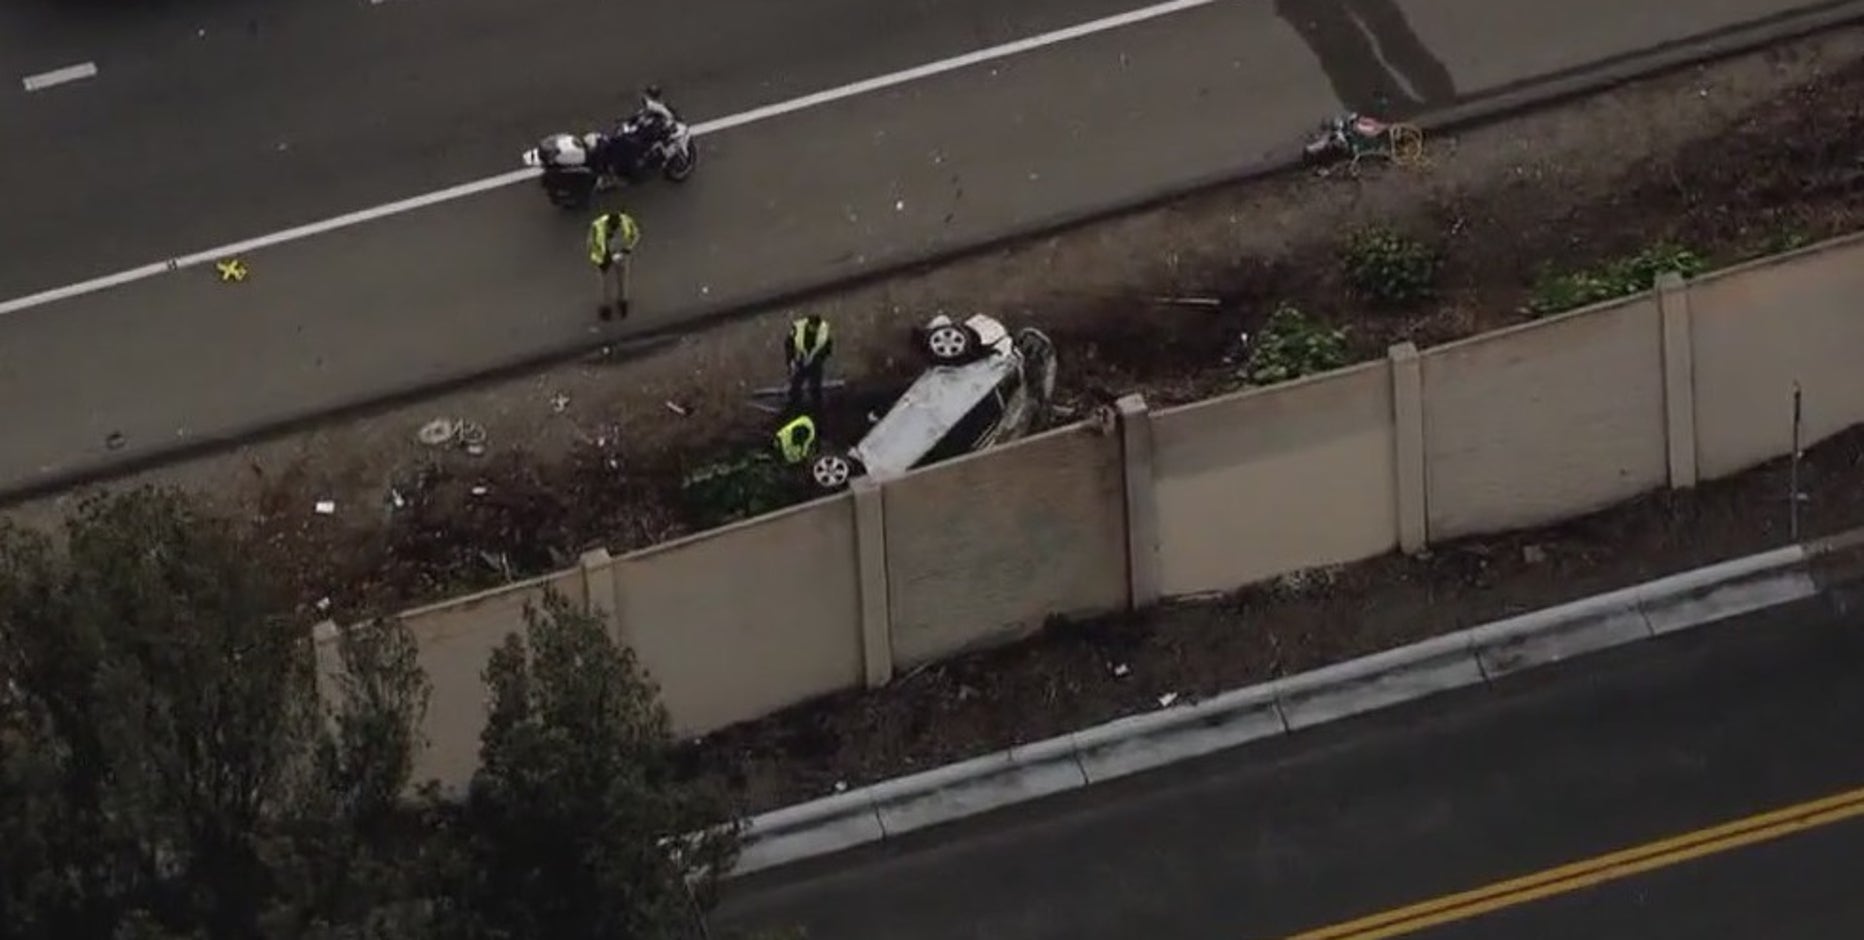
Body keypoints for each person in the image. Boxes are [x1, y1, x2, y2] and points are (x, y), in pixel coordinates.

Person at [587, 210, 640, 321]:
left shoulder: (625, 222)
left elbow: (635, 235)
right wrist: (600, 261)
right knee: (607, 283)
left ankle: (621, 302)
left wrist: (627, 249)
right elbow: (592, 244)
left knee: (619, 279)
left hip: (620, 254)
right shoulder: (598, 226)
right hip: (605, 257)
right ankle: (609, 306)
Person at [784, 314, 834, 413]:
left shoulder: (823, 333)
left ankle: (817, 409)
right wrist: (791, 360)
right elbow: (789, 344)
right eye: (812, 327)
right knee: (795, 385)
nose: (814, 330)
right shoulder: (798, 329)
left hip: (815, 361)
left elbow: (827, 348)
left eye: (816, 328)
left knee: (815, 387)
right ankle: (794, 406)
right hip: (800, 359)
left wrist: (818, 358)